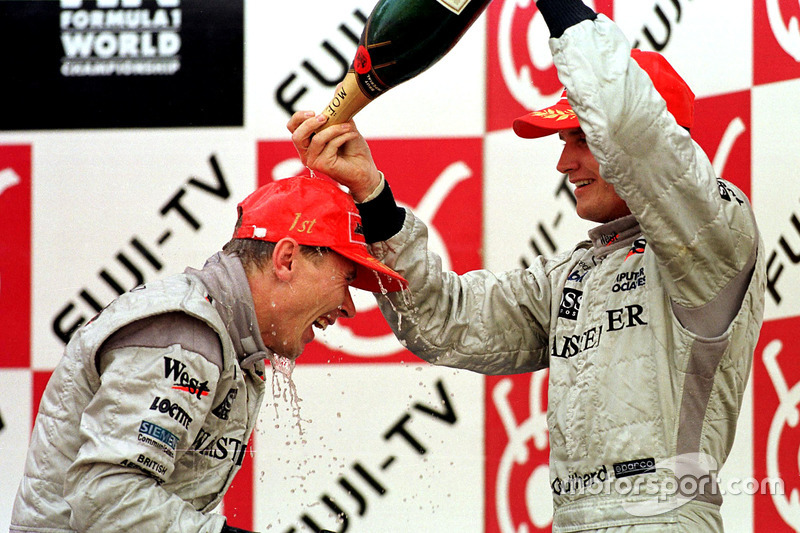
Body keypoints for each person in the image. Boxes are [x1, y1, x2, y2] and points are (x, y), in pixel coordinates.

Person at [287, 0, 766, 530]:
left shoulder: (716, 234)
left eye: (581, 139)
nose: (564, 163)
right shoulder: (576, 274)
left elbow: (636, 131)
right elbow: (445, 321)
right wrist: (372, 195)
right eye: (564, 140)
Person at [10, 176, 406, 533]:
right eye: (347, 278)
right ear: (286, 260)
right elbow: (108, 498)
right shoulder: (187, 335)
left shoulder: (227, 338)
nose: (349, 307)